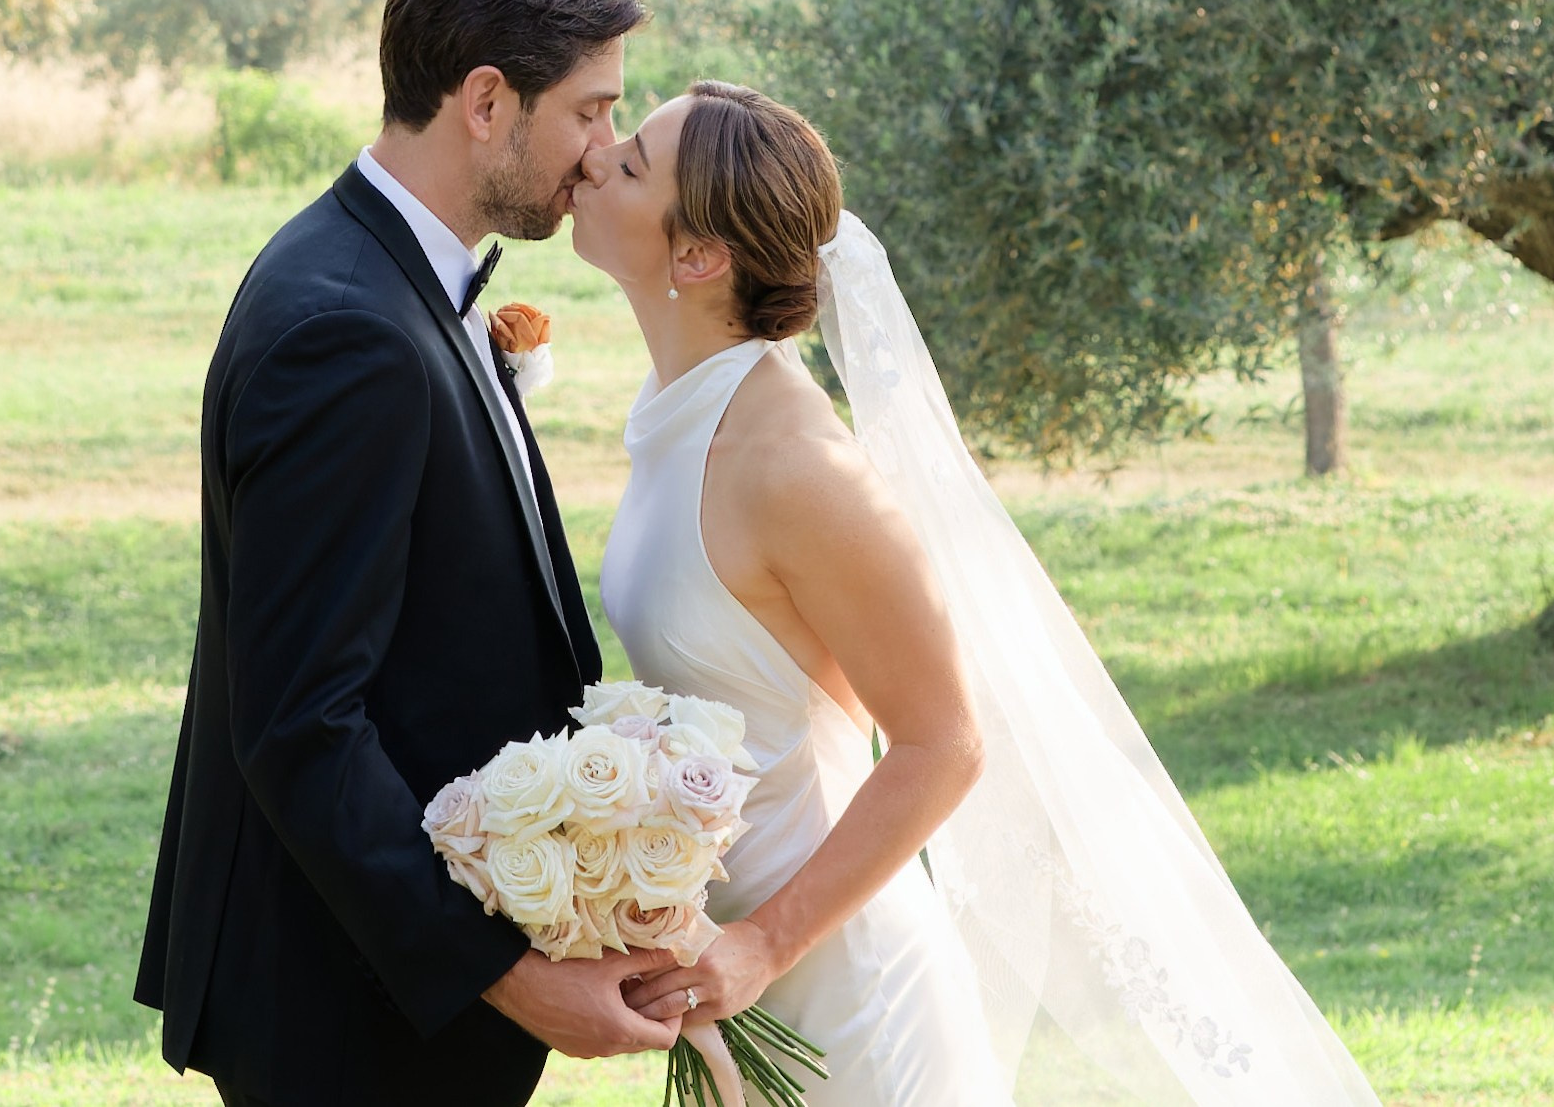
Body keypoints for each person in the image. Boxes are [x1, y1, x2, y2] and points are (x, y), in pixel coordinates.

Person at [573, 81, 1383, 1105]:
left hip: (842, 992)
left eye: (632, 159)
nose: (595, 154)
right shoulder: (675, 407)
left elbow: (942, 740)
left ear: (697, 255)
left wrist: (759, 944)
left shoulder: (792, 463)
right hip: (734, 984)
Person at [135, 0, 684, 1104]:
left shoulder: (382, 273)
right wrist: (506, 971)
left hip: (379, 996)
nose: (600, 152)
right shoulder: (347, 330)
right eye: (590, 110)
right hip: (351, 1014)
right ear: (486, 100)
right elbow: (300, 723)